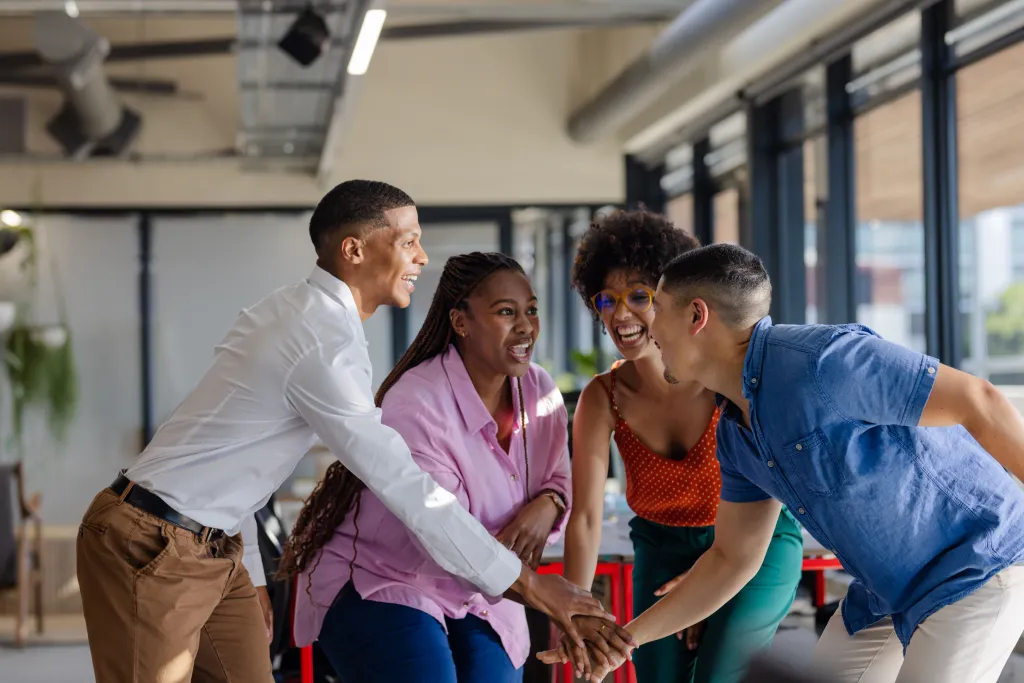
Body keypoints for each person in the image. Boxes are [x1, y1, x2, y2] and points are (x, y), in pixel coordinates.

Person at [75, 180, 619, 683]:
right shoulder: (320, 340)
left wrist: (250, 576)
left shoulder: (308, 317)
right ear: (354, 250)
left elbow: (236, 449)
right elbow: (408, 490)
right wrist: (531, 586)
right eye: (409, 242)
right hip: (152, 540)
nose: (422, 259)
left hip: (213, 545)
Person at [542, 243, 1024, 683]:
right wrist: (623, 643)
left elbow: (980, 402)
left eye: (658, 309)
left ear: (696, 316)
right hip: (886, 593)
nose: (650, 328)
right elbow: (731, 559)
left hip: (976, 567)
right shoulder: (735, 433)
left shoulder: (823, 361)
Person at [284, 252, 591, 682]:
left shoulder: (539, 389)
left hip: (485, 588)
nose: (526, 326)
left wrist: (550, 502)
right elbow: (443, 531)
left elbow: (558, 476)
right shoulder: (417, 402)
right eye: (506, 312)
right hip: (383, 578)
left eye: (531, 310)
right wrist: (536, 588)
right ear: (461, 322)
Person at [562, 210, 803, 683]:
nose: (619, 314)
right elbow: (586, 518)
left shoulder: (723, 383)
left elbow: (769, 484)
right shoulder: (601, 398)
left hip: (756, 540)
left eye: (638, 296)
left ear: (675, 300)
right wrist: (579, 609)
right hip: (662, 546)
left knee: (720, 673)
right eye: (606, 300)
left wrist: (702, 586)